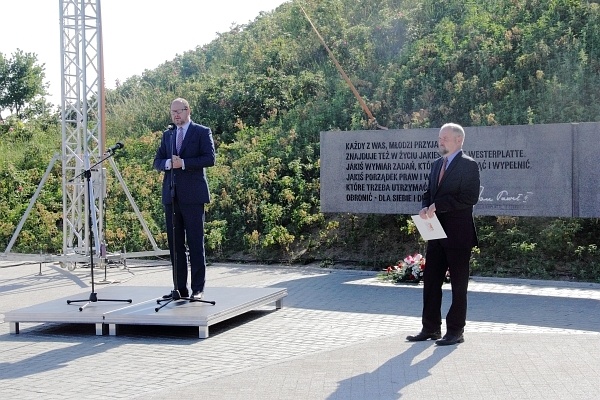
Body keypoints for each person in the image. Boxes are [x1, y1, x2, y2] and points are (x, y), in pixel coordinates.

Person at [406, 123, 480, 345]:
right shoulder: (436, 164)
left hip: (458, 235)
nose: (440, 141)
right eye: (439, 138)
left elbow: (470, 197)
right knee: (430, 282)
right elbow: (428, 192)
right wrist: (425, 205)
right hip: (435, 234)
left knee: (458, 286)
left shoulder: (469, 165)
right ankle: (430, 328)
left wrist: (439, 205)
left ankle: (456, 331)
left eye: (445, 138)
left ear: (459, 140)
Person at [153, 98, 215, 300]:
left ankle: (198, 289)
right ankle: (179, 289)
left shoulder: (201, 131)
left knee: (196, 243)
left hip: (193, 196)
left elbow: (209, 158)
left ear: (188, 111)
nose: (175, 115)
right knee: (175, 245)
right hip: (172, 197)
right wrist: (170, 164)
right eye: (172, 112)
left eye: (179, 111)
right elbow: (157, 161)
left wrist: (185, 163)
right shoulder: (168, 135)